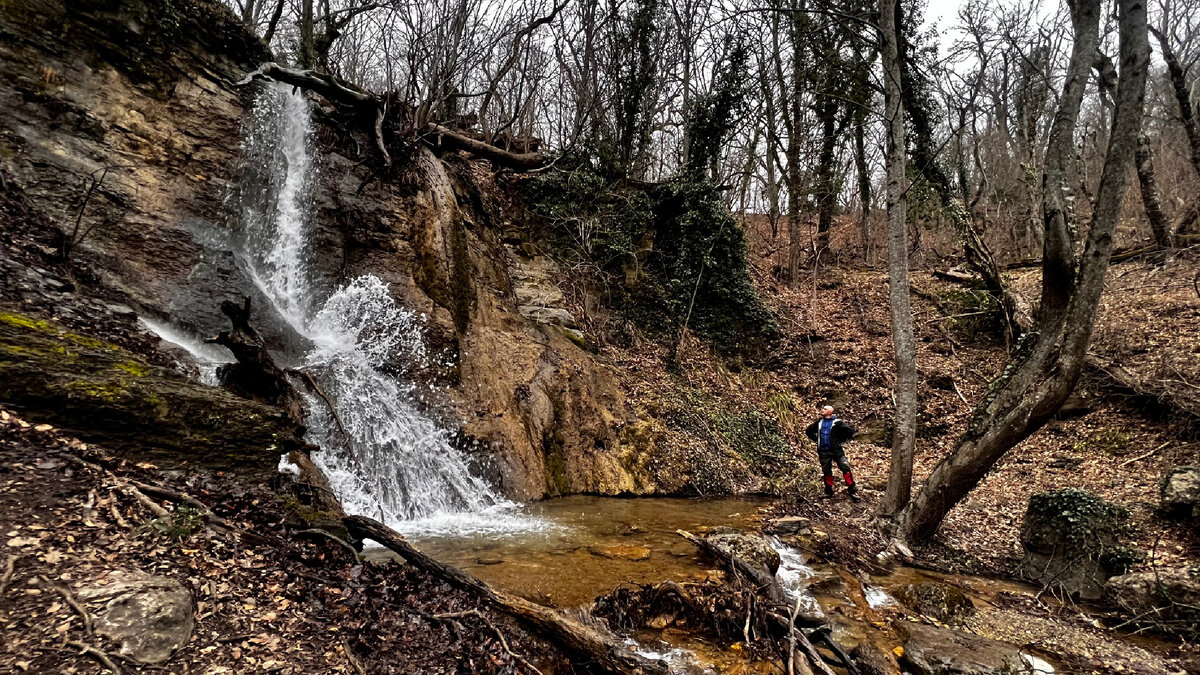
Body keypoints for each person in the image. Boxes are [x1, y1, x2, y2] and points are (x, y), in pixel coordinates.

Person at [804, 405, 859, 502]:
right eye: (823, 409)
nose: (822, 410)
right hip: (823, 451)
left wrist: (840, 440)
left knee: (845, 468)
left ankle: (852, 490)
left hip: (837, 451)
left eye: (824, 409)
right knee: (826, 470)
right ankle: (828, 491)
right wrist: (817, 440)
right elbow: (808, 431)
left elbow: (850, 432)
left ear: (830, 412)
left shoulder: (837, 423)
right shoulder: (819, 422)